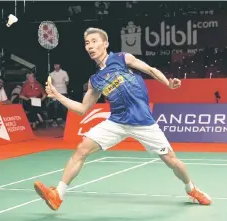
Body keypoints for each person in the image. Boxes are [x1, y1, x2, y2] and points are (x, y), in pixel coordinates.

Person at [34, 27, 211, 210]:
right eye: (87, 43)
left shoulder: (121, 58)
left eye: (94, 41)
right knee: (82, 149)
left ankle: (191, 188)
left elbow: (150, 69)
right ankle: (58, 195)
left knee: (172, 161)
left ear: (105, 43)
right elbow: (82, 109)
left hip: (143, 122)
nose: (90, 46)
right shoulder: (95, 80)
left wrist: (168, 84)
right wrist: (58, 96)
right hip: (117, 122)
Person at [48, 62, 69, 127]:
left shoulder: (64, 72)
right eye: (55, 65)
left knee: (64, 107)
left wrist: (61, 86)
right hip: (55, 92)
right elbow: (50, 83)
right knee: (55, 107)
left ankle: (64, 120)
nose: (56, 66)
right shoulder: (51, 74)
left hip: (63, 92)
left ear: (59, 65)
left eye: (57, 65)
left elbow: (67, 82)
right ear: (53, 66)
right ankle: (54, 121)